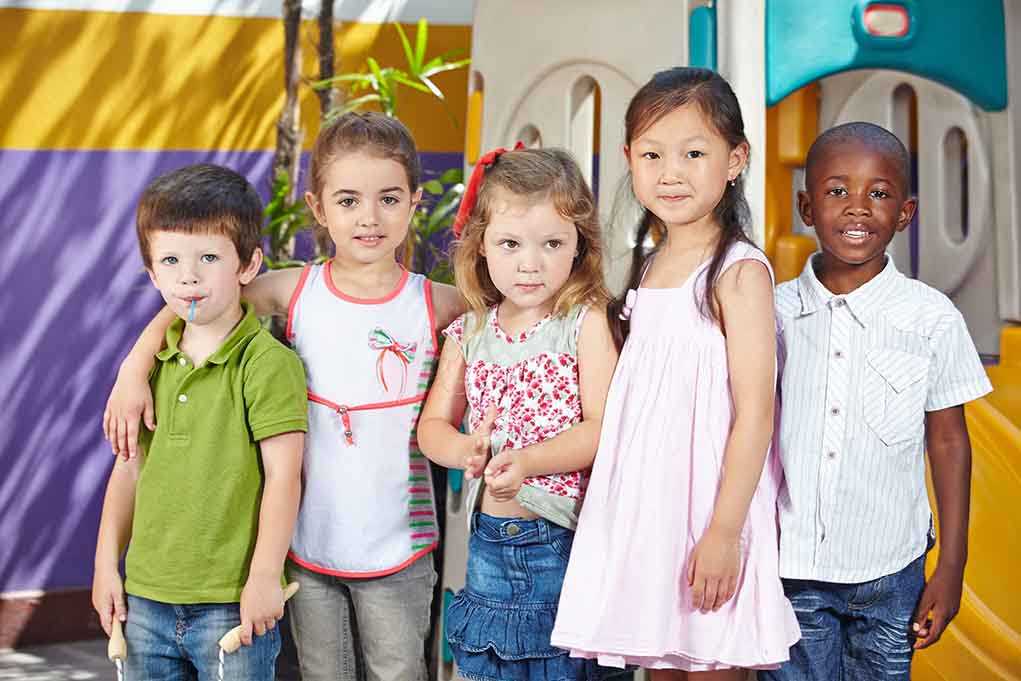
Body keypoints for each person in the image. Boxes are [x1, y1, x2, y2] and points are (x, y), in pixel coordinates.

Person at [101, 113, 464, 681]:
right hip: (308, 543)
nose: (369, 217)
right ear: (318, 208)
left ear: (414, 201)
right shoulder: (295, 290)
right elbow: (199, 297)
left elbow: (511, 320)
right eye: (348, 201)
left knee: (399, 672)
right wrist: (134, 365)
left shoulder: (436, 302)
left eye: (389, 198)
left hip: (400, 544)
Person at [551, 66, 800, 679]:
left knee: (714, 658)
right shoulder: (649, 266)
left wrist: (724, 532)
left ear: (736, 158)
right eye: (653, 154)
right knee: (660, 661)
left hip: (711, 510)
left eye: (694, 153)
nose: (671, 172)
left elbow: (755, 414)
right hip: (653, 511)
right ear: (628, 158)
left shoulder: (738, 272)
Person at [761, 121, 993, 681]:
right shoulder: (771, 311)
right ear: (806, 207)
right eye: (837, 191)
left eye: (879, 194)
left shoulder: (932, 318)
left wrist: (952, 564)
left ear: (906, 213)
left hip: (892, 570)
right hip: (788, 565)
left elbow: (949, 441)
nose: (858, 208)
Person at [92, 163, 308, 680]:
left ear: (248, 265)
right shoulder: (149, 371)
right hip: (145, 601)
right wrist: (105, 564)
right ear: (152, 273)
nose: (188, 275)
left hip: (230, 604)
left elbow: (285, 477)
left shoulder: (268, 364)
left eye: (209, 257)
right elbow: (128, 470)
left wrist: (262, 577)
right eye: (170, 259)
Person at [417, 146, 619, 680]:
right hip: (489, 545)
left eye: (552, 243)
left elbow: (602, 428)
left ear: (579, 245)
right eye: (510, 244)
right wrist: (463, 449)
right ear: (481, 245)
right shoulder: (470, 331)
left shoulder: (584, 321)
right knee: (494, 666)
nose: (531, 263)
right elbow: (433, 427)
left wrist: (528, 461)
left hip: (563, 542)